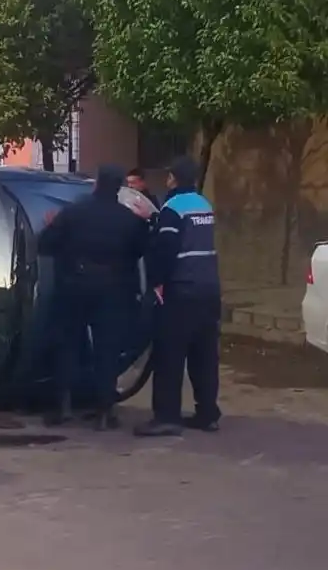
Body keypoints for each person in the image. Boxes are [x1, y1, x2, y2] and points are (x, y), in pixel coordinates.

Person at [38, 164, 150, 430]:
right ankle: (104, 411)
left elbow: (45, 245)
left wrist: (53, 226)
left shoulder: (74, 213)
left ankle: (63, 408)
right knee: (107, 350)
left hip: (74, 286)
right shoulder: (128, 219)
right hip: (113, 290)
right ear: (119, 188)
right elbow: (141, 251)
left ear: (97, 184)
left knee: (67, 344)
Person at [133, 156, 222, 437]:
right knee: (204, 356)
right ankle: (207, 412)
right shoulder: (203, 205)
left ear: (173, 178)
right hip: (208, 290)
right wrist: (155, 219)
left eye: (169, 176)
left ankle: (166, 417)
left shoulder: (173, 208)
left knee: (169, 356)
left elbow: (166, 248)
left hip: (181, 291)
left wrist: (157, 282)